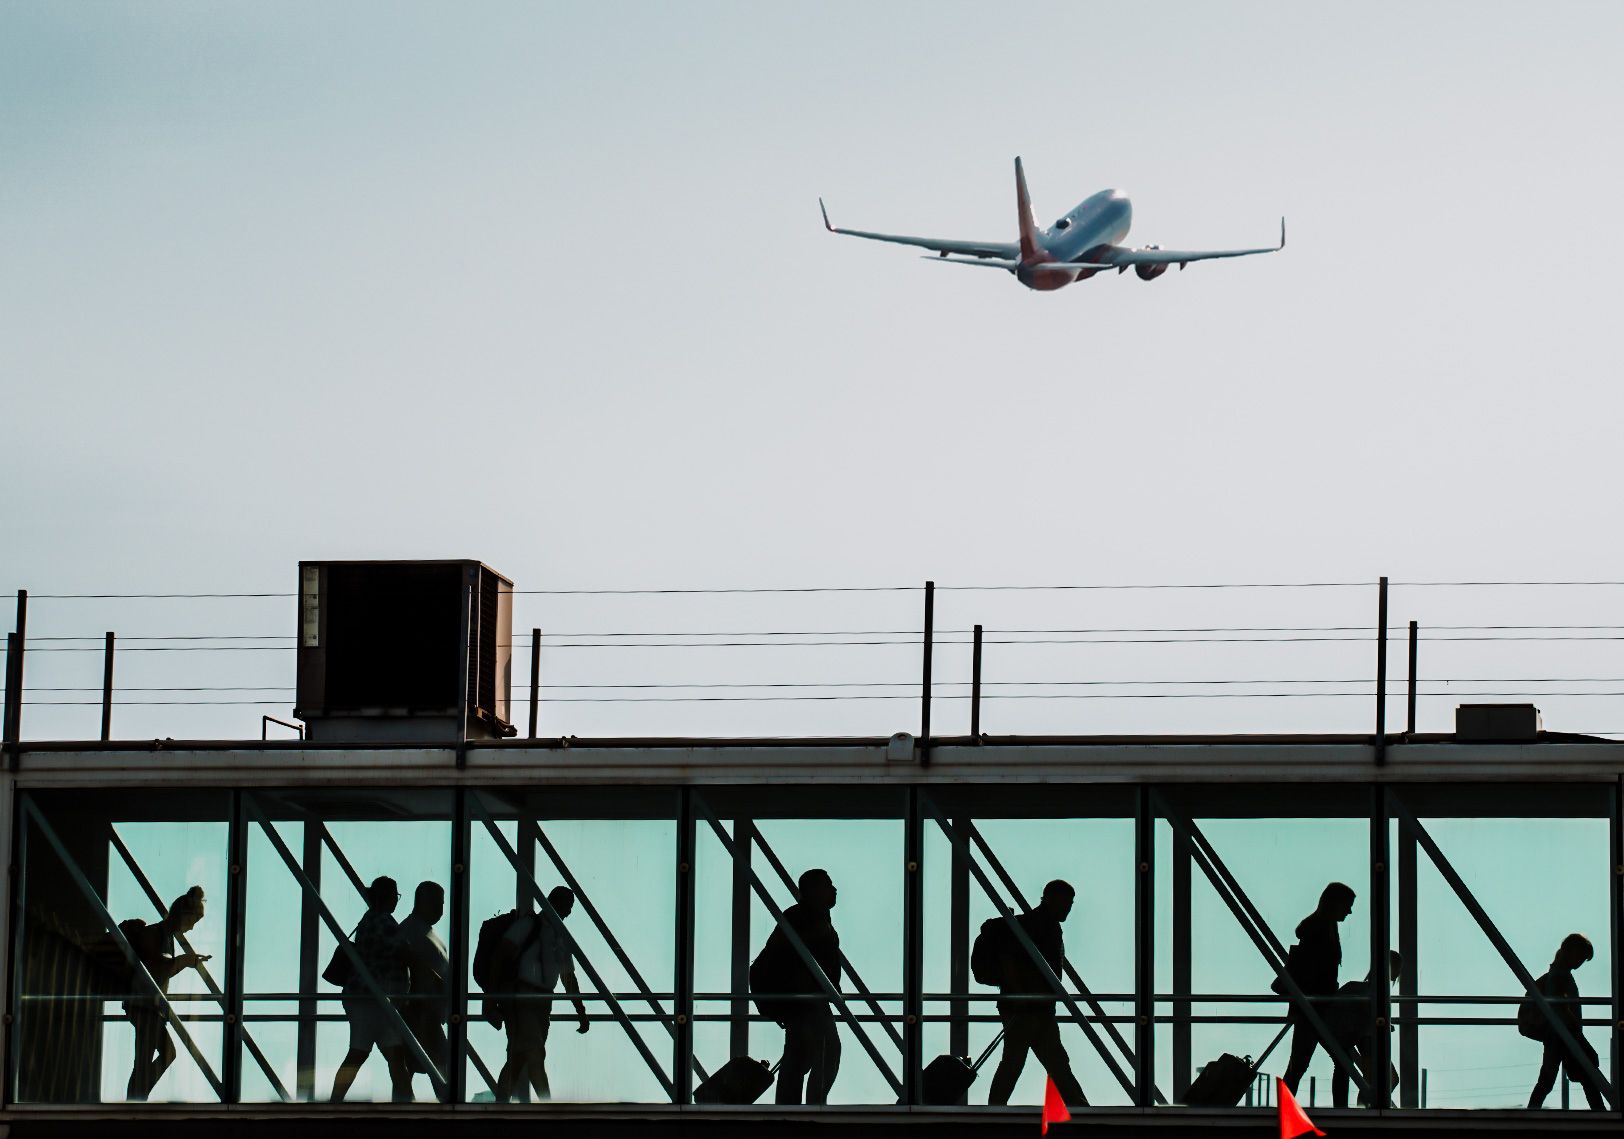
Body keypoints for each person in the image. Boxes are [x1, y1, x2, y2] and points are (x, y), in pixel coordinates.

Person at [986, 880, 1087, 1108]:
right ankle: (1082, 1110)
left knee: (1023, 1062)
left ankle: (994, 1109)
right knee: (1044, 1063)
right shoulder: (1038, 924)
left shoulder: (1038, 923)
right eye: (1066, 903)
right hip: (1029, 1008)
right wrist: (1022, 998)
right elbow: (1008, 959)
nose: (1068, 908)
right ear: (1051, 899)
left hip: (1032, 1007)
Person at [752, 869, 843, 1105]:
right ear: (812, 891)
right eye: (828, 885)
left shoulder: (808, 919)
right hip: (804, 999)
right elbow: (783, 960)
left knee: (803, 1054)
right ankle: (809, 1104)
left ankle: (794, 1105)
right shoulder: (802, 919)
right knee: (822, 1050)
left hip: (805, 999)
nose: (834, 889)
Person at [494, 886, 590, 1102]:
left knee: (519, 1056)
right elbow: (502, 955)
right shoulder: (531, 925)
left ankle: (500, 1105)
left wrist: (580, 1010)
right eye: (566, 905)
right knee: (535, 1054)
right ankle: (547, 1108)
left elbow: (568, 978)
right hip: (524, 998)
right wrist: (580, 1011)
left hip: (539, 1001)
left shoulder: (556, 935)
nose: (568, 911)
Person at [122, 886, 210, 1101]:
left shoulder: (165, 936)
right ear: (183, 915)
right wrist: (184, 961)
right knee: (157, 1056)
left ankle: (136, 1099)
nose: (191, 929)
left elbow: (161, 967)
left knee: (152, 1057)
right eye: (192, 922)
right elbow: (156, 968)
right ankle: (135, 1101)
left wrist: (182, 961)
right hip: (144, 1005)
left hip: (149, 1006)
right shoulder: (154, 934)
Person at [331, 876, 413, 1102]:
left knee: (378, 1054)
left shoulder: (368, 920)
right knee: (380, 1055)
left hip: (366, 998)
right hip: (375, 1001)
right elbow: (405, 954)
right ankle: (407, 1105)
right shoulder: (384, 922)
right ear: (388, 897)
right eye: (395, 896)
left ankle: (335, 1102)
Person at [1280, 881, 1356, 1096]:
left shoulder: (1320, 928)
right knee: (1340, 1061)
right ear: (1335, 904)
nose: (1349, 911)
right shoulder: (1322, 931)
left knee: (1299, 1065)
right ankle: (1340, 1114)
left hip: (1313, 1007)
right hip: (1316, 1008)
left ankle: (1284, 1111)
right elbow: (1317, 972)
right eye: (1347, 905)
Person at [1526, 933, 1606, 1110]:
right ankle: (1600, 1112)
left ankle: (1531, 1112)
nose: (1581, 962)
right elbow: (1559, 1007)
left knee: (1548, 1079)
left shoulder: (1557, 974)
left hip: (1558, 1034)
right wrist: (1576, 1029)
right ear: (1572, 953)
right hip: (1563, 1034)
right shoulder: (1560, 976)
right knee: (1587, 1074)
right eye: (1581, 957)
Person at [1325, 950, 1401, 1109]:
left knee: (1374, 1081)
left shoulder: (1362, 989)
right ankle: (1365, 1108)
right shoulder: (1374, 991)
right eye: (1398, 967)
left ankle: (1363, 1108)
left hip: (1362, 1039)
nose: (1399, 972)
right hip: (1368, 1041)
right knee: (1384, 1080)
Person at [397, 881, 450, 1097]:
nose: (440, 910)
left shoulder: (417, 930)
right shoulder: (412, 931)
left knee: (415, 1062)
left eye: (441, 904)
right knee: (437, 1061)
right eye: (437, 904)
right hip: (420, 1010)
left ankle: (403, 1106)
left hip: (427, 1010)